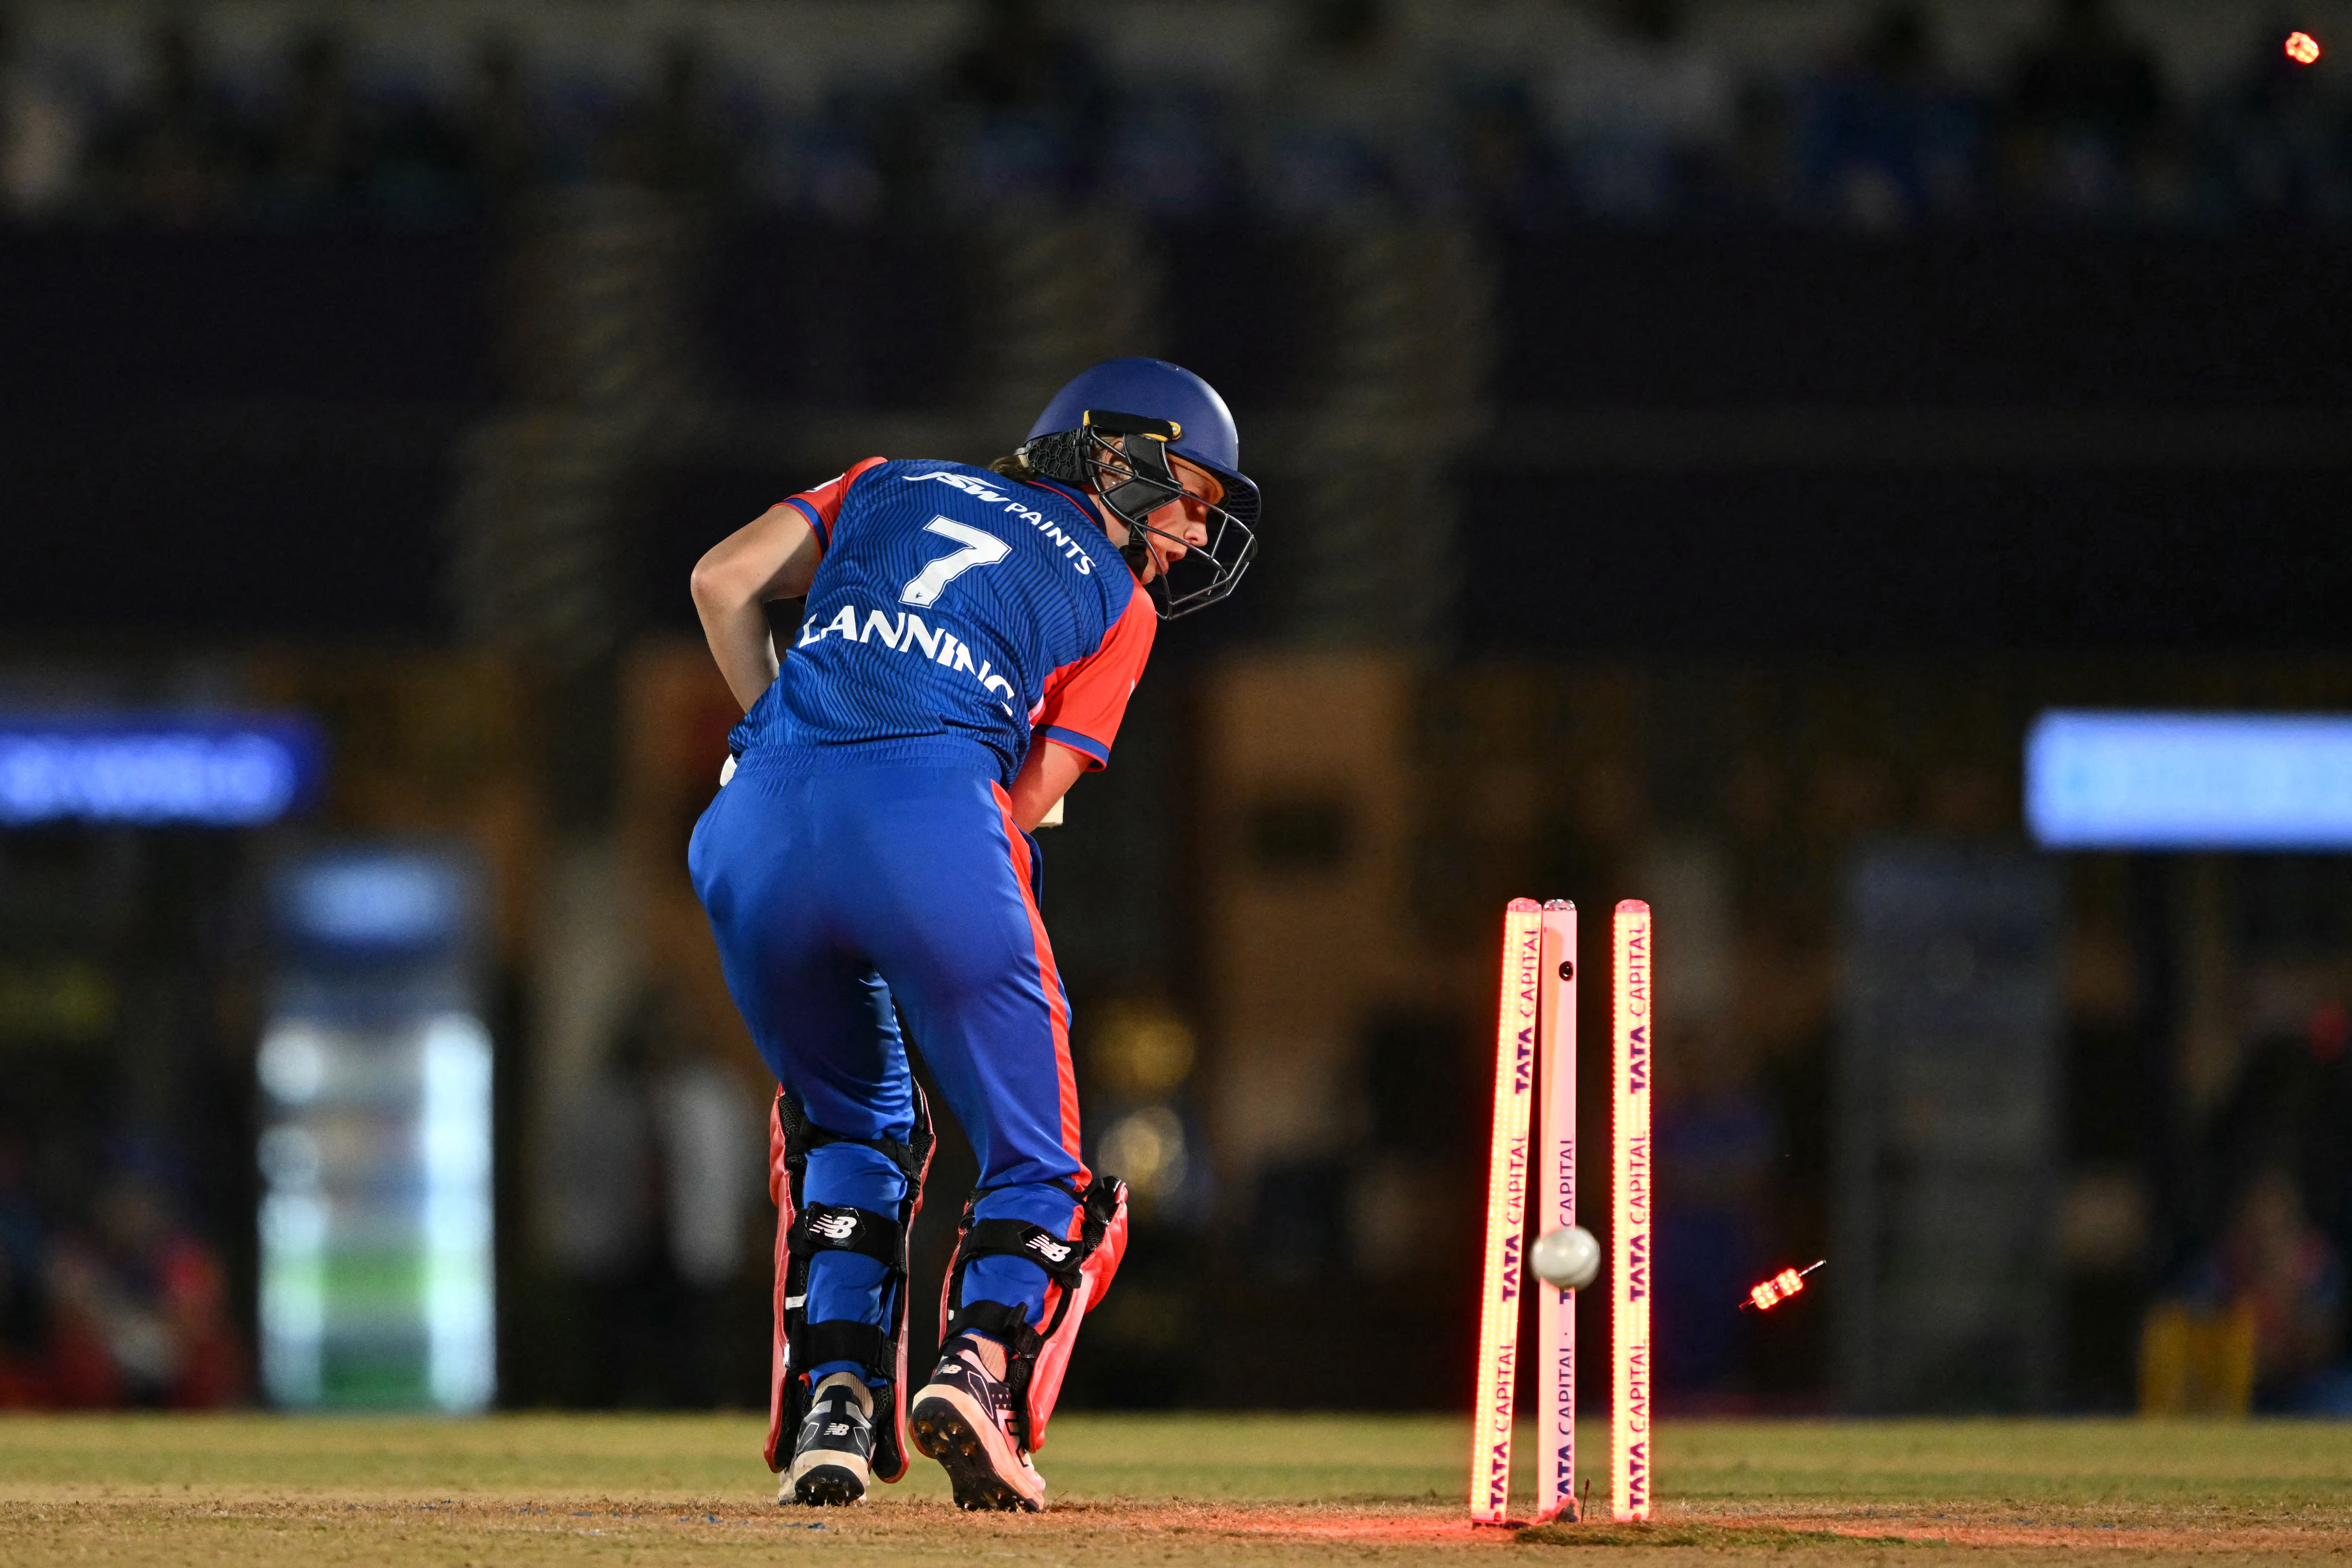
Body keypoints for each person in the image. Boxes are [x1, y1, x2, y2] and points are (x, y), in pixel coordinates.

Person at [685, 358, 1258, 1511]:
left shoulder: (886, 480)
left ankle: (835, 1406)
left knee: (849, 1134)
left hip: (750, 824)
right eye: (1194, 496)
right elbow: (1024, 801)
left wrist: (784, 736)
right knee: (1044, 1164)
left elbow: (721, 580)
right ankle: (982, 1370)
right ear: (1115, 457)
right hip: (931, 821)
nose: (1198, 533)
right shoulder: (1121, 602)